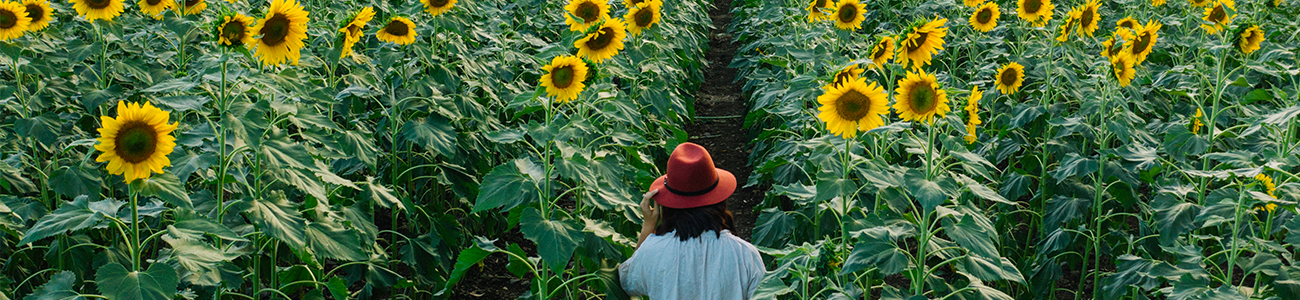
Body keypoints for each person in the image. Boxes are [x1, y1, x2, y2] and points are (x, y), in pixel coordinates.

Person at [619, 142, 766, 299]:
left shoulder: (652, 251)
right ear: (719, 200)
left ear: (668, 204)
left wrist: (648, 225)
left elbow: (628, 283)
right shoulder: (744, 254)